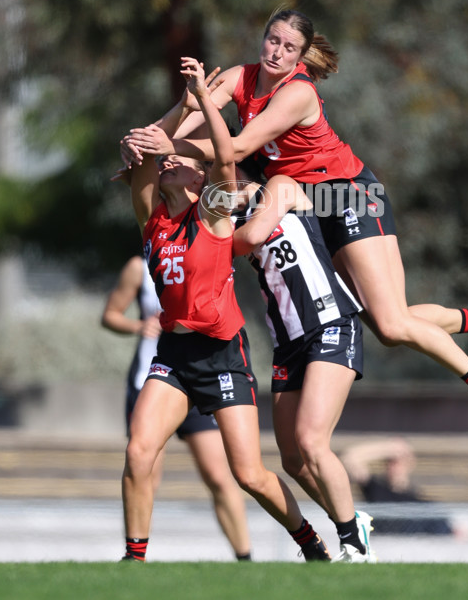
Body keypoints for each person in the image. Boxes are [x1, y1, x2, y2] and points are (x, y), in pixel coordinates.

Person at [121, 9, 468, 454]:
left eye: (289, 47)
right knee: (384, 323)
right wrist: (143, 141)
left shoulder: (297, 92)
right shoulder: (241, 77)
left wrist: (169, 144)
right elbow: (183, 120)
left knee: (392, 323)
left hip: (348, 197)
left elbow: (234, 148)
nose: (277, 52)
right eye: (273, 41)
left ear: (300, 56)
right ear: (263, 39)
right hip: (310, 204)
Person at [118, 58, 330, 562]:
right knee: (138, 451)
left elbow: (226, 162)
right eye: (173, 162)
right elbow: (151, 147)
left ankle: (312, 544)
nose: (175, 162)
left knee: (249, 474)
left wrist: (206, 113)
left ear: (198, 183)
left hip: (222, 355)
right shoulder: (153, 220)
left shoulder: (210, 213)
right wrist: (186, 102)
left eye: (185, 163)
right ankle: (134, 558)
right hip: (174, 352)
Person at [231, 163, 375, 562]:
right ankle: (351, 520)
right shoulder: (225, 214)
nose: (212, 174)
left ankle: (354, 544)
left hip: (330, 324)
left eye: (216, 164)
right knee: (293, 459)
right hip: (287, 342)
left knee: (312, 440)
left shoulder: (280, 187)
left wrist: (214, 238)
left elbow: (254, 236)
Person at [101, 254, 252, 560]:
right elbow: (110, 315)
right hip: (152, 380)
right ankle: (135, 556)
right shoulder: (138, 267)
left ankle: (245, 559)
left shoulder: (204, 251)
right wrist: (137, 325)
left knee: (219, 476)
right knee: (143, 471)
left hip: (198, 380)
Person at [340, 438, 464, 537]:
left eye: (399, 460)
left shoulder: (421, 503)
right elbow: (350, 458)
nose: (394, 465)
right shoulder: (376, 489)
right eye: (390, 460)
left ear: (410, 462)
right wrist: (388, 448)